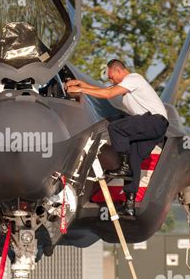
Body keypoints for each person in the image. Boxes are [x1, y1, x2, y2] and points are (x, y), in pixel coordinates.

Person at [65, 59, 169, 217]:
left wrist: (81, 91)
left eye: (111, 75)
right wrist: (81, 84)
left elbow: (107, 93)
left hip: (154, 121)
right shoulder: (126, 86)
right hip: (152, 128)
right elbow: (103, 89)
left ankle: (124, 165)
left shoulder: (134, 79)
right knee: (134, 161)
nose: (110, 79)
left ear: (119, 70)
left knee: (115, 127)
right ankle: (129, 205)